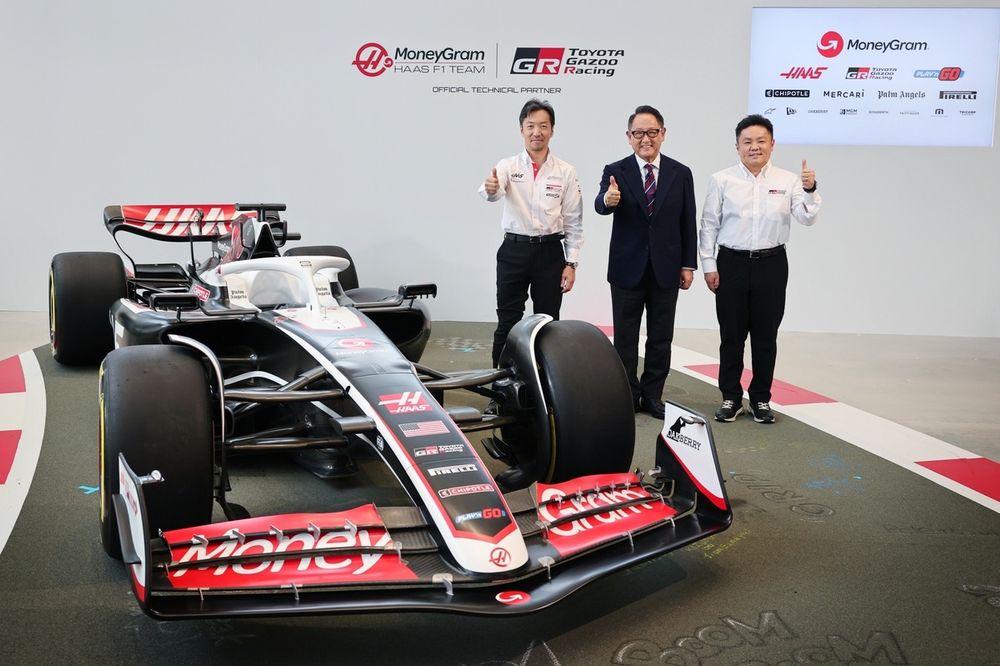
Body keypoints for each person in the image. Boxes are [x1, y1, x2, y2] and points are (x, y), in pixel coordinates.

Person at [699, 114, 822, 424]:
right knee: (731, 336)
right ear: (737, 146)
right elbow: (709, 225)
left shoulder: (788, 180)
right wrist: (709, 265)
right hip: (731, 263)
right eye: (747, 142)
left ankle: (761, 399)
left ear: (772, 144)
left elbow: (807, 218)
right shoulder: (721, 180)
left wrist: (810, 189)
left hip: (772, 264)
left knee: (766, 336)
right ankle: (730, 397)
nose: (754, 147)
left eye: (761, 141)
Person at [594, 105, 697, 419]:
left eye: (652, 132)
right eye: (638, 133)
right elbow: (601, 203)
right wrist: (607, 200)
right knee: (625, 338)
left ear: (663, 134)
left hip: (666, 269)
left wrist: (687, 265)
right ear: (629, 137)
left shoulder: (681, 173)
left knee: (660, 337)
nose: (646, 139)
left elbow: (687, 221)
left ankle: (653, 396)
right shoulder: (616, 170)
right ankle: (628, 394)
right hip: (627, 269)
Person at [479, 99, 583, 367]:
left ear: (552, 130)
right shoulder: (508, 166)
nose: (537, 132)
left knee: (548, 324)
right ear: (521, 129)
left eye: (543, 126)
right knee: (508, 321)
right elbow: (492, 191)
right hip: (514, 252)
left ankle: (547, 389)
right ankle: (501, 387)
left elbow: (574, 221)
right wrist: (490, 189)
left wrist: (571, 263)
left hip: (550, 254)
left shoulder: (565, 171)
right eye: (531, 126)